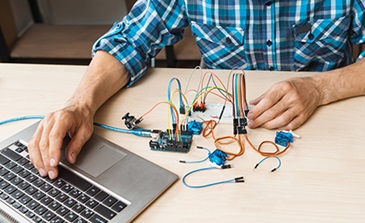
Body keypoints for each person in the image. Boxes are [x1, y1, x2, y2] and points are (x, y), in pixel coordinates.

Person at [27, 0, 365, 179]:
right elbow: (129, 40)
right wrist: (80, 105)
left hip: (327, 133)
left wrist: (321, 88)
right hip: (218, 139)